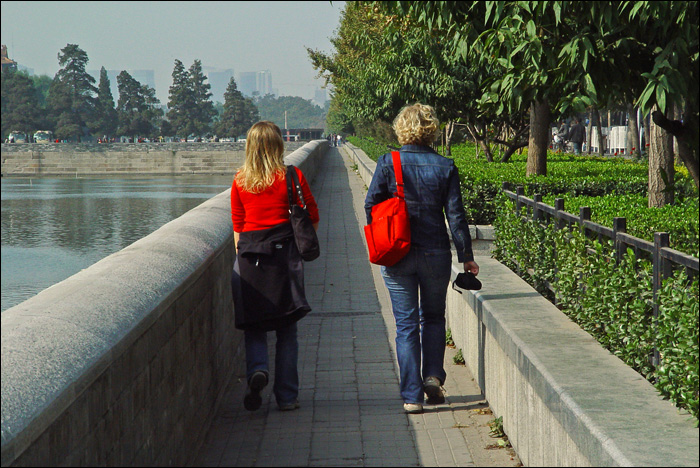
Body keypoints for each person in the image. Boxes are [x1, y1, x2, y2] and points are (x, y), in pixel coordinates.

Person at [364, 103, 479, 414]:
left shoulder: (388, 162)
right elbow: (456, 216)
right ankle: (433, 377)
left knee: (406, 325)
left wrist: (383, 235)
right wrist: (466, 257)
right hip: (435, 253)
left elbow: (370, 205)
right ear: (432, 129)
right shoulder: (445, 166)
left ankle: (412, 396)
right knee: (433, 317)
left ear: (401, 129)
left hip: (397, 254)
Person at [230, 120, 320, 412]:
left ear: (250, 147)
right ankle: (287, 397)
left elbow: (238, 226)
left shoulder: (240, 180)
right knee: (287, 329)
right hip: (283, 260)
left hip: (250, 260)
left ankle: (258, 369)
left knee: (254, 325)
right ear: (279, 145)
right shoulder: (291, 177)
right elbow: (312, 215)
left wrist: (244, 257)